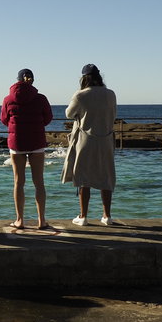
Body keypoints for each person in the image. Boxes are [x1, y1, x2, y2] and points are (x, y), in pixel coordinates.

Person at [62, 64, 118, 226]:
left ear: (84, 78)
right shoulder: (111, 94)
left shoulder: (80, 95)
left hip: (85, 139)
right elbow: (114, 114)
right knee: (106, 176)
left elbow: (69, 114)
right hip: (106, 139)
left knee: (83, 177)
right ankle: (107, 216)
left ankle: (83, 216)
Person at [1, 68, 53, 230]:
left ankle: (20, 220)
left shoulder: (8, 99)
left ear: (17, 80)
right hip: (36, 142)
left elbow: (4, 119)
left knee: (18, 182)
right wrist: (36, 126)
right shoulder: (41, 98)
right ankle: (41, 221)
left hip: (17, 143)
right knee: (39, 182)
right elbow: (48, 118)